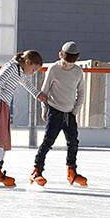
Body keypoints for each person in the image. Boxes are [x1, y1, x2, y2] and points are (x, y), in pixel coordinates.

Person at [0, 50, 44, 188]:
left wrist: (38, 95)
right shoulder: (12, 67)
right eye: (33, 69)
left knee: (1, 138)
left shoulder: (19, 70)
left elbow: (26, 83)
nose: (33, 73)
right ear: (27, 62)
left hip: (3, 103)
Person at [30, 42, 87, 188]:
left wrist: (74, 111)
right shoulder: (53, 69)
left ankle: (72, 172)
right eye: (66, 61)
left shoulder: (78, 72)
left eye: (71, 62)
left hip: (69, 114)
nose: (67, 65)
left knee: (73, 143)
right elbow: (45, 90)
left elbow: (81, 93)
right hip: (55, 111)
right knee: (48, 142)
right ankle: (37, 170)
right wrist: (44, 108)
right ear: (60, 55)